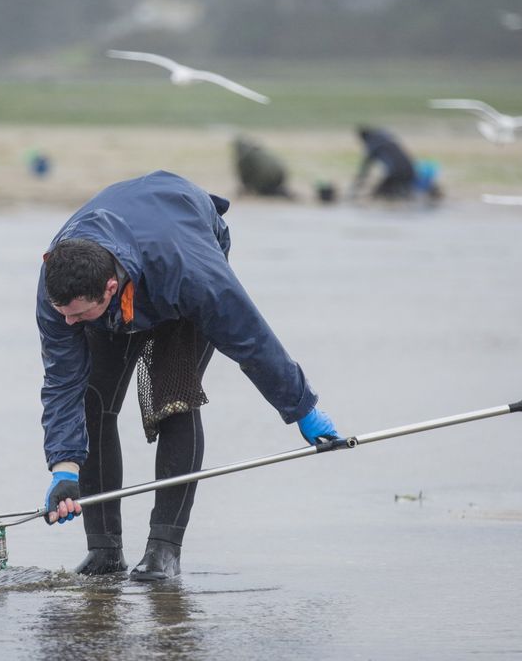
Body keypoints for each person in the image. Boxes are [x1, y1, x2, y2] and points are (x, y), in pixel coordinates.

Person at [37, 170, 340, 582]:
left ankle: (164, 550)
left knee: (173, 400)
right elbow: (62, 382)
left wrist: (302, 408)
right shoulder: (58, 287)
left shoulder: (194, 275)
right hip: (132, 247)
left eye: (78, 313)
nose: (68, 322)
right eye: (63, 312)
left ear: (109, 288)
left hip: (179, 248)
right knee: (94, 401)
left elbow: (251, 339)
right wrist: (64, 470)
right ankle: (104, 551)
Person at [350, 126, 417, 200]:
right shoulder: (386, 138)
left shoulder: (373, 144)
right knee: (400, 191)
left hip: (396, 173)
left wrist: (356, 187)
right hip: (410, 170)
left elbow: (365, 168)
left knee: (380, 194)